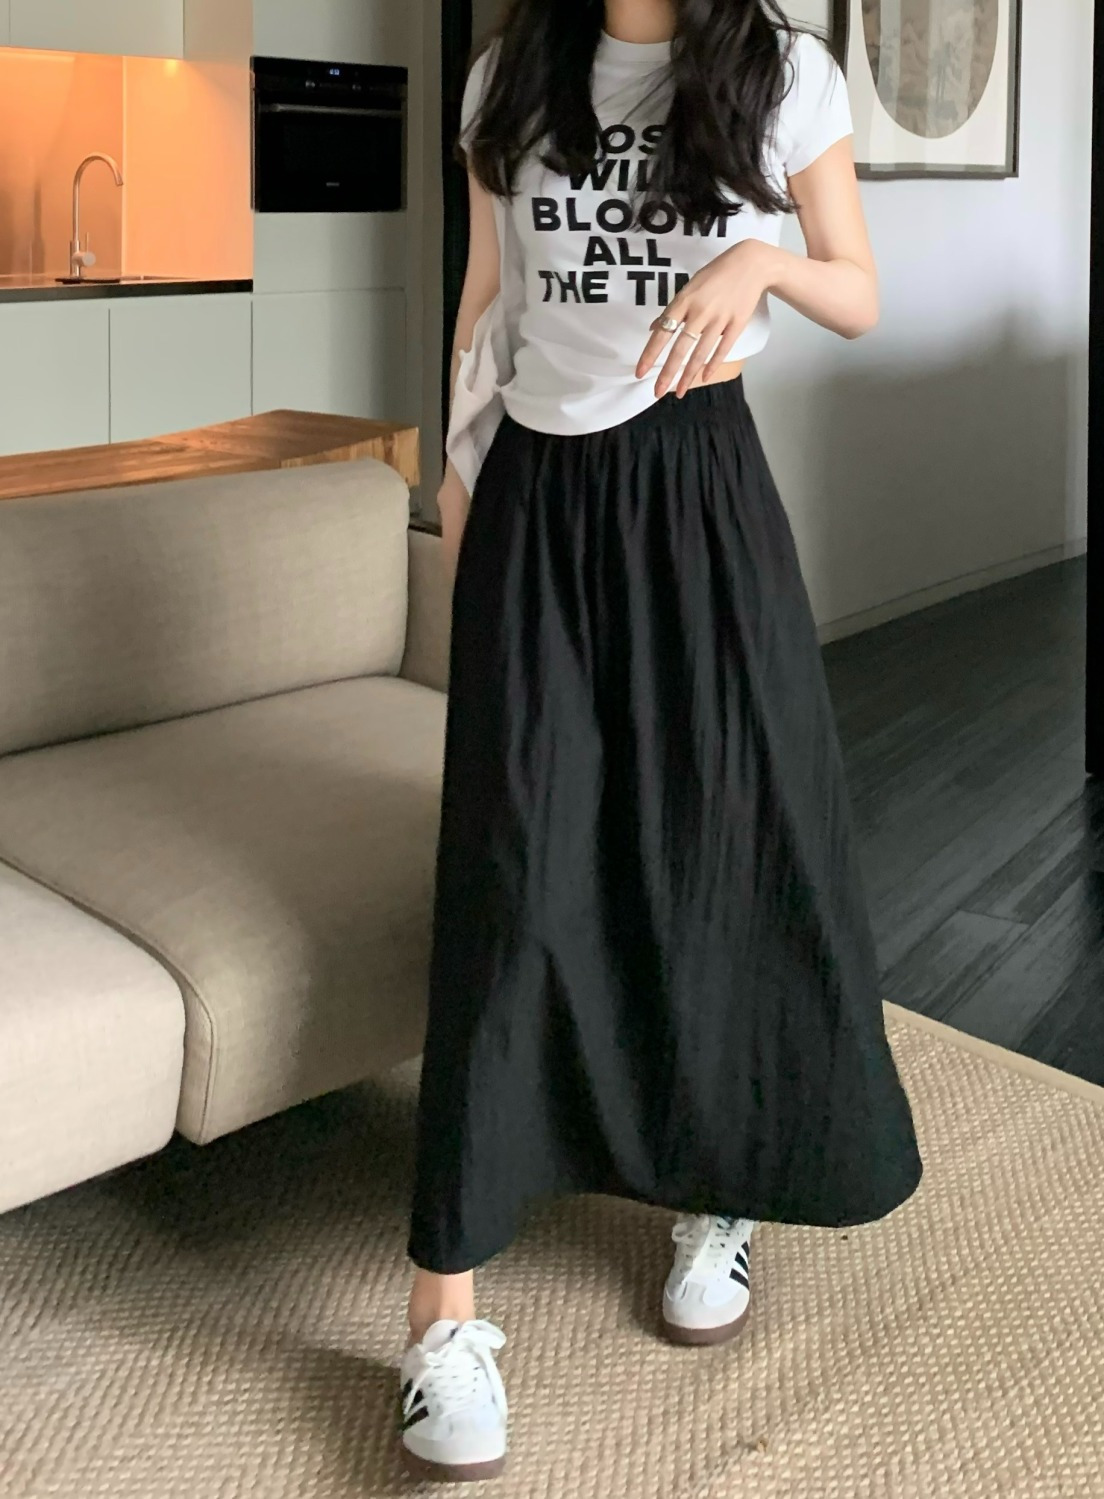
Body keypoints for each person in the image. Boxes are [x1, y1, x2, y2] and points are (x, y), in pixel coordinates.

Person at [398, 0, 924, 1482]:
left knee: (726, 841)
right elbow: (488, 300)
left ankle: (721, 1187)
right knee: (508, 870)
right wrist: (457, 490)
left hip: (698, 491)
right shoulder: (509, 73)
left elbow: (859, 291)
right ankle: (443, 1316)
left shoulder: (781, 71)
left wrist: (763, 261)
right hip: (536, 498)